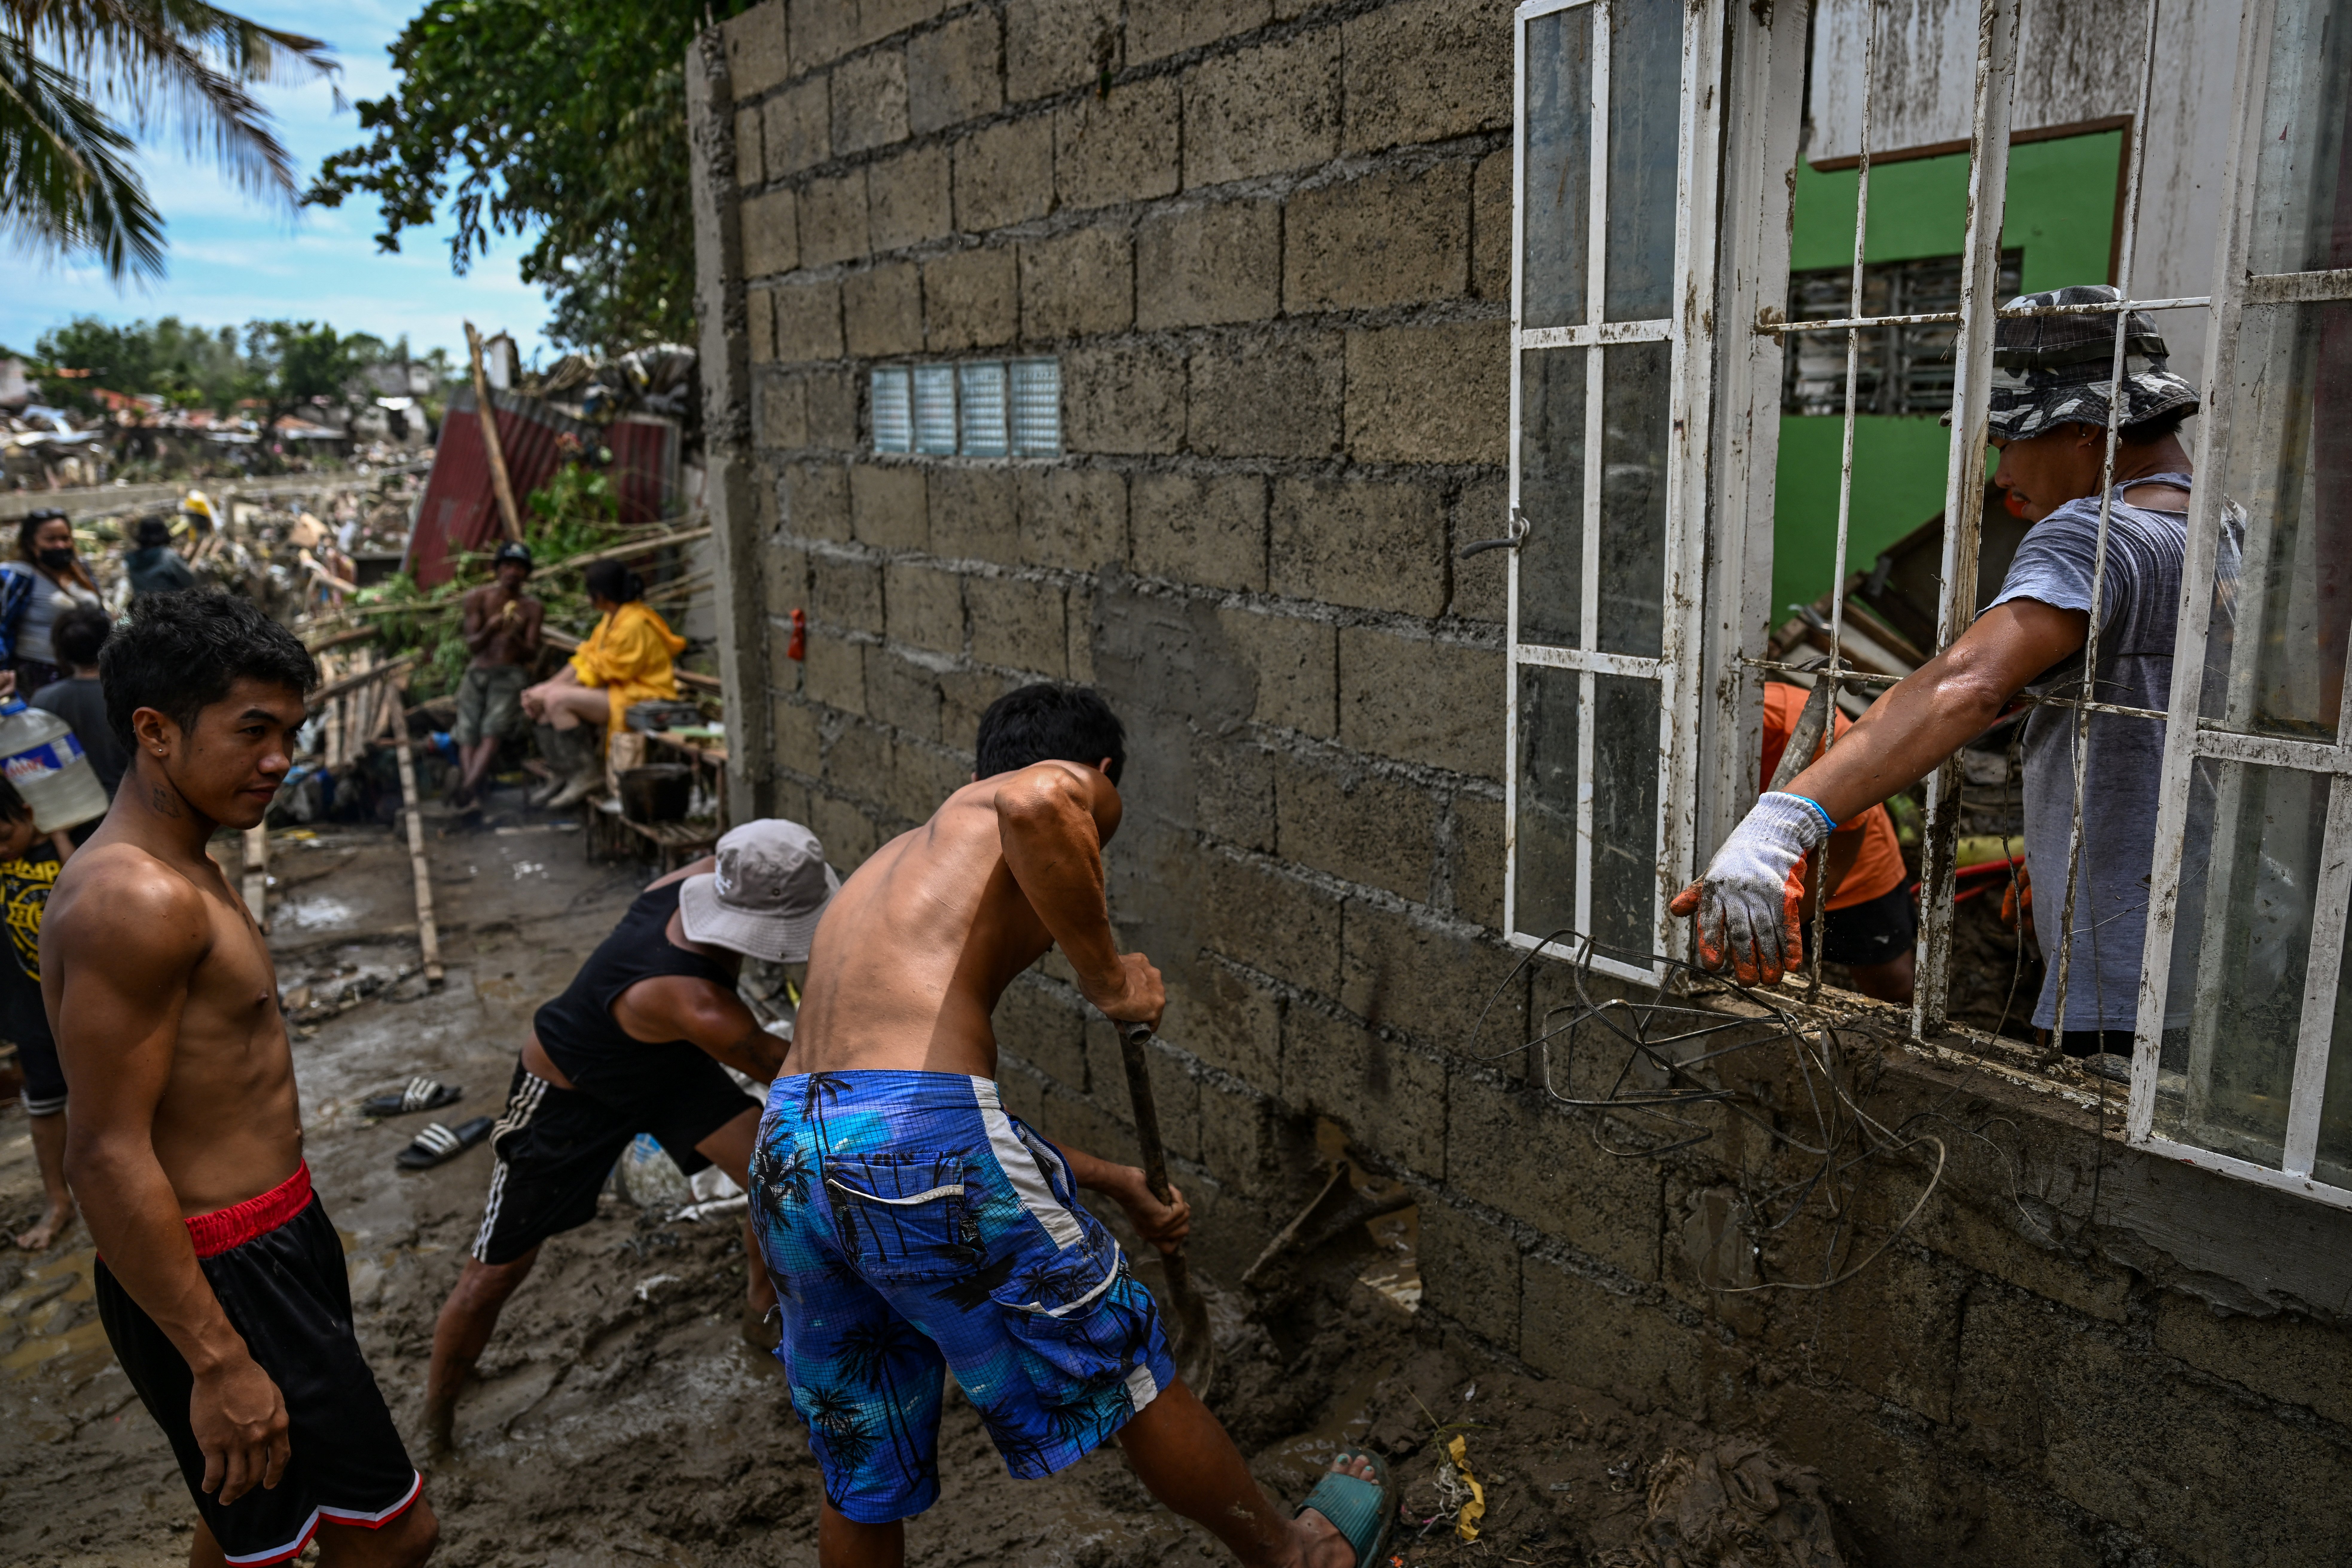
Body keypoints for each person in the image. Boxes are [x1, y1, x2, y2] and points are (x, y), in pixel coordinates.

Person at [755, 683, 1392, 1568]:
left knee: (861, 1453)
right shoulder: (1033, 791)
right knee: (1124, 1361)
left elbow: (861, 1123)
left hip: (792, 1146)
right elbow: (1037, 799)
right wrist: (1109, 976)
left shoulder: (892, 865)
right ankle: (1300, 1556)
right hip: (912, 1135)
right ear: (1098, 770)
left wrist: (1110, 1178)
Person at [1674, 285, 2200, 1059]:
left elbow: (1966, 685)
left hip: (2124, 975)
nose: (1999, 468)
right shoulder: (2223, 528)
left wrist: (1777, 828)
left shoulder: (2094, 534)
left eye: (2008, 439)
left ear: (2086, 429)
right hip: (2214, 946)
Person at [46, 592, 438, 1567]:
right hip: (225, 1263)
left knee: (249, 1516)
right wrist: (219, 1356)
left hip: (278, 1234)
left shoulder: (191, 862)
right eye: (252, 731)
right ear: (154, 731)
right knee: (390, 1538)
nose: (281, 759)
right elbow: (102, 1151)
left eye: (291, 732)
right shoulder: (133, 898)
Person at [424, 818, 834, 1456]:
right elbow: (796, 1070)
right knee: (498, 1270)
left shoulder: (705, 875)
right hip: (569, 1090)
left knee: (772, 1170)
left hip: (664, 1064)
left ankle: (763, 1316)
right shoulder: (696, 1003)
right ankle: (439, 1416)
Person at [1755, 682, 1916, 1003]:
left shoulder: (1805, 733)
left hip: (1848, 860)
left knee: (1892, 983)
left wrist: (1786, 920)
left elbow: (1848, 834)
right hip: (1760, 855)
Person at [519, 558, 684, 809]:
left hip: (643, 695)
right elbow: (587, 658)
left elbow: (603, 671)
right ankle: (563, 773)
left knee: (557, 701)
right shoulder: (612, 618)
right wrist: (544, 688)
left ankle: (585, 775)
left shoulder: (634, 623)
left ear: (601, 595)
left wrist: (552, 692)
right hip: (618, 689)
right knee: (545, 697)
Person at [2, 774, 79, 1251]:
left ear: (29, 815)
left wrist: (60, 836)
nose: (2, 851)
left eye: (5, 836)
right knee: (46, 1104)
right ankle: (58, 1199)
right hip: (29, 1011)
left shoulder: (61, 856)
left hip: (86, 1002)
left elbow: (85, 888)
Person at [448, 542, 543, 809]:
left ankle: (467, 789)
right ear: (498, 569)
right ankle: (474, 793)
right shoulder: (477, 599)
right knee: (468, 732)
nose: (513, 572)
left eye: (519, 568)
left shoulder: (532, 608)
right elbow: (473, 645)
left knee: (493, 730)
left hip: (510, 674)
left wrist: (514, 635)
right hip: (479, 670)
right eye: (508, 566)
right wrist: (491, 629)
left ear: (526, 574)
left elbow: (531, 653)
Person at [32, 603, 132, 802]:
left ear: (60, 649)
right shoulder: (133, 688)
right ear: (110, 640)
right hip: (136, 801)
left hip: (79, 808)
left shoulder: (44, 701)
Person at [1, 509, 105, 693]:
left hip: (88, 672)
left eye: (65, 538)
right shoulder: (17, 577)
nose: (60, 545)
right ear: (31, 544)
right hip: (40, 674)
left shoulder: (80, 570)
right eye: (51, 540)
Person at [125, 516, 199, 600]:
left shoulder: (131, 560)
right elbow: (189, 580)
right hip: (170, 607)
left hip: (144, 609)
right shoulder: (167, 556)